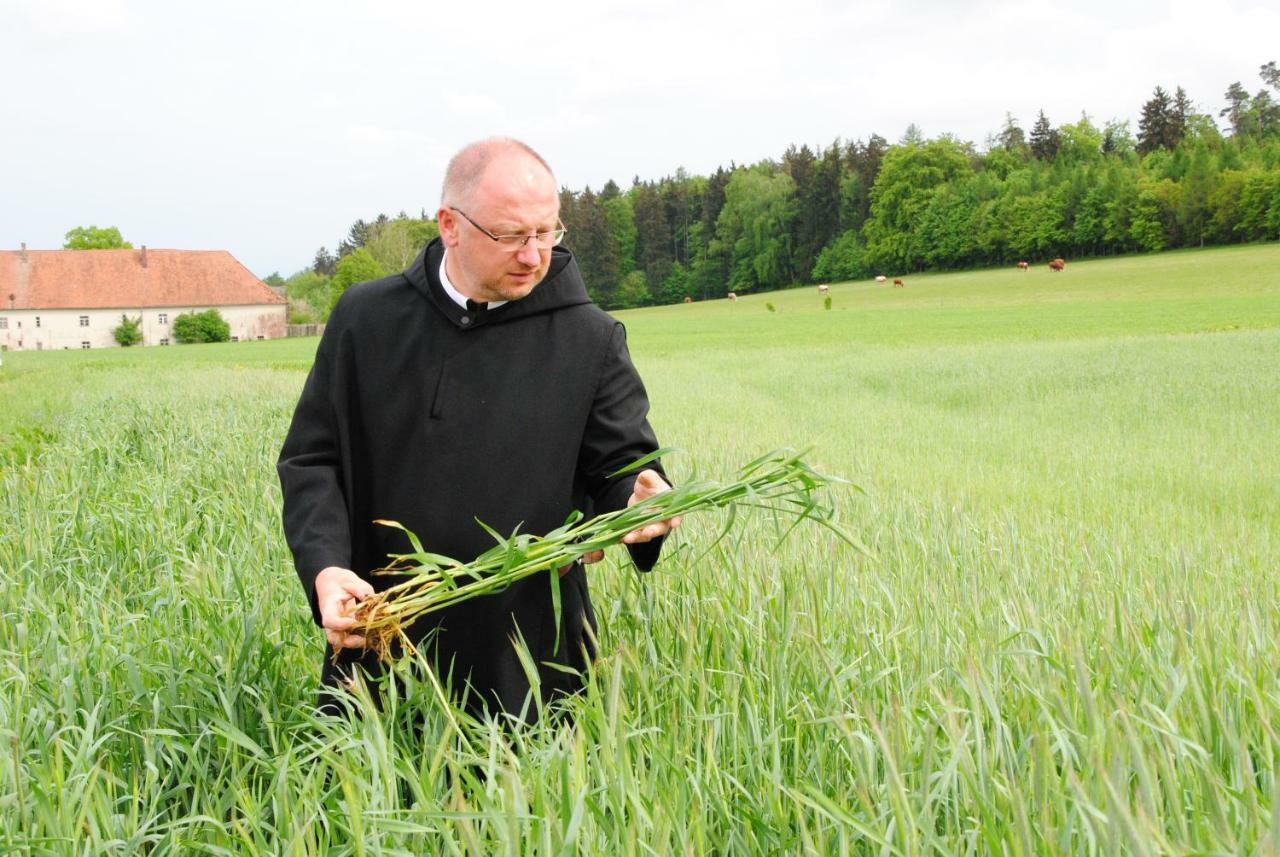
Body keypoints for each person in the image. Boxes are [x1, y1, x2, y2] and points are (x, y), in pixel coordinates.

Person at [277, 138, 679, 721]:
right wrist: (325, 564)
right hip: (382, 641)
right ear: (450, 226)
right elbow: (314, 459)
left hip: (533, 660)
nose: (533, 255)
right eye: (513, 235)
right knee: (360, 805)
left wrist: (642, 501)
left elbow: (624, 468)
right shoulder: (366, 321)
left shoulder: (589, 339)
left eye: (547, 232)